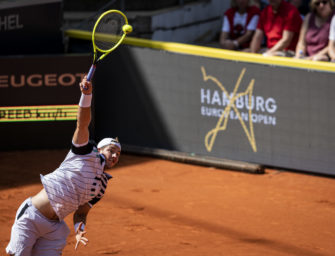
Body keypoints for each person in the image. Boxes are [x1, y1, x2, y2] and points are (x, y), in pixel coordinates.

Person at [6, 76, 121, 255]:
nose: (114, 156)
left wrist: (79, 229)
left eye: (118, 154)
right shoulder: (84, 152)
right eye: (111, 150)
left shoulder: (102, 186)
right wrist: (87, 95)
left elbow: (81, 213)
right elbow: (82, 124)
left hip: (54, 229)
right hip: (32, 218)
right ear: (99, 149)